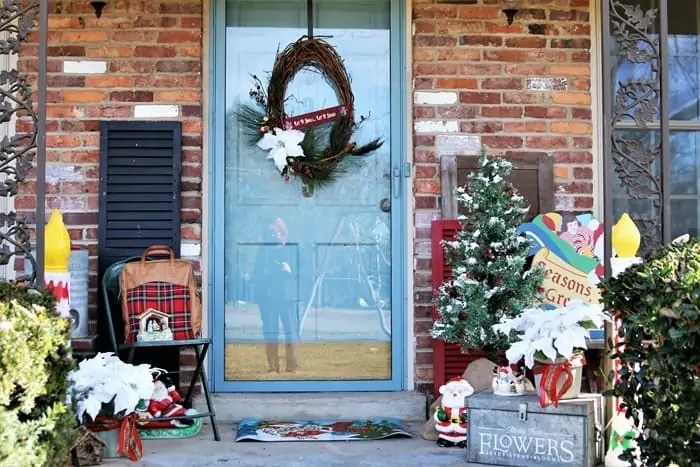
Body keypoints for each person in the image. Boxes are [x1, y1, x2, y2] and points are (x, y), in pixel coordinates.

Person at [249, 216, 300, 373]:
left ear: (283, 232)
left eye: (277, 231)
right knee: (270, 332)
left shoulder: (292, 249)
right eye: (271, 231)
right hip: (268, 297)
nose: (274, 234)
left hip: (288, 297)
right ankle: (272, 367)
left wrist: (289, 271)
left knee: (291, 331)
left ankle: (292, 366)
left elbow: (303, 273)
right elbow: (256, 275)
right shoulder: (262, 251)